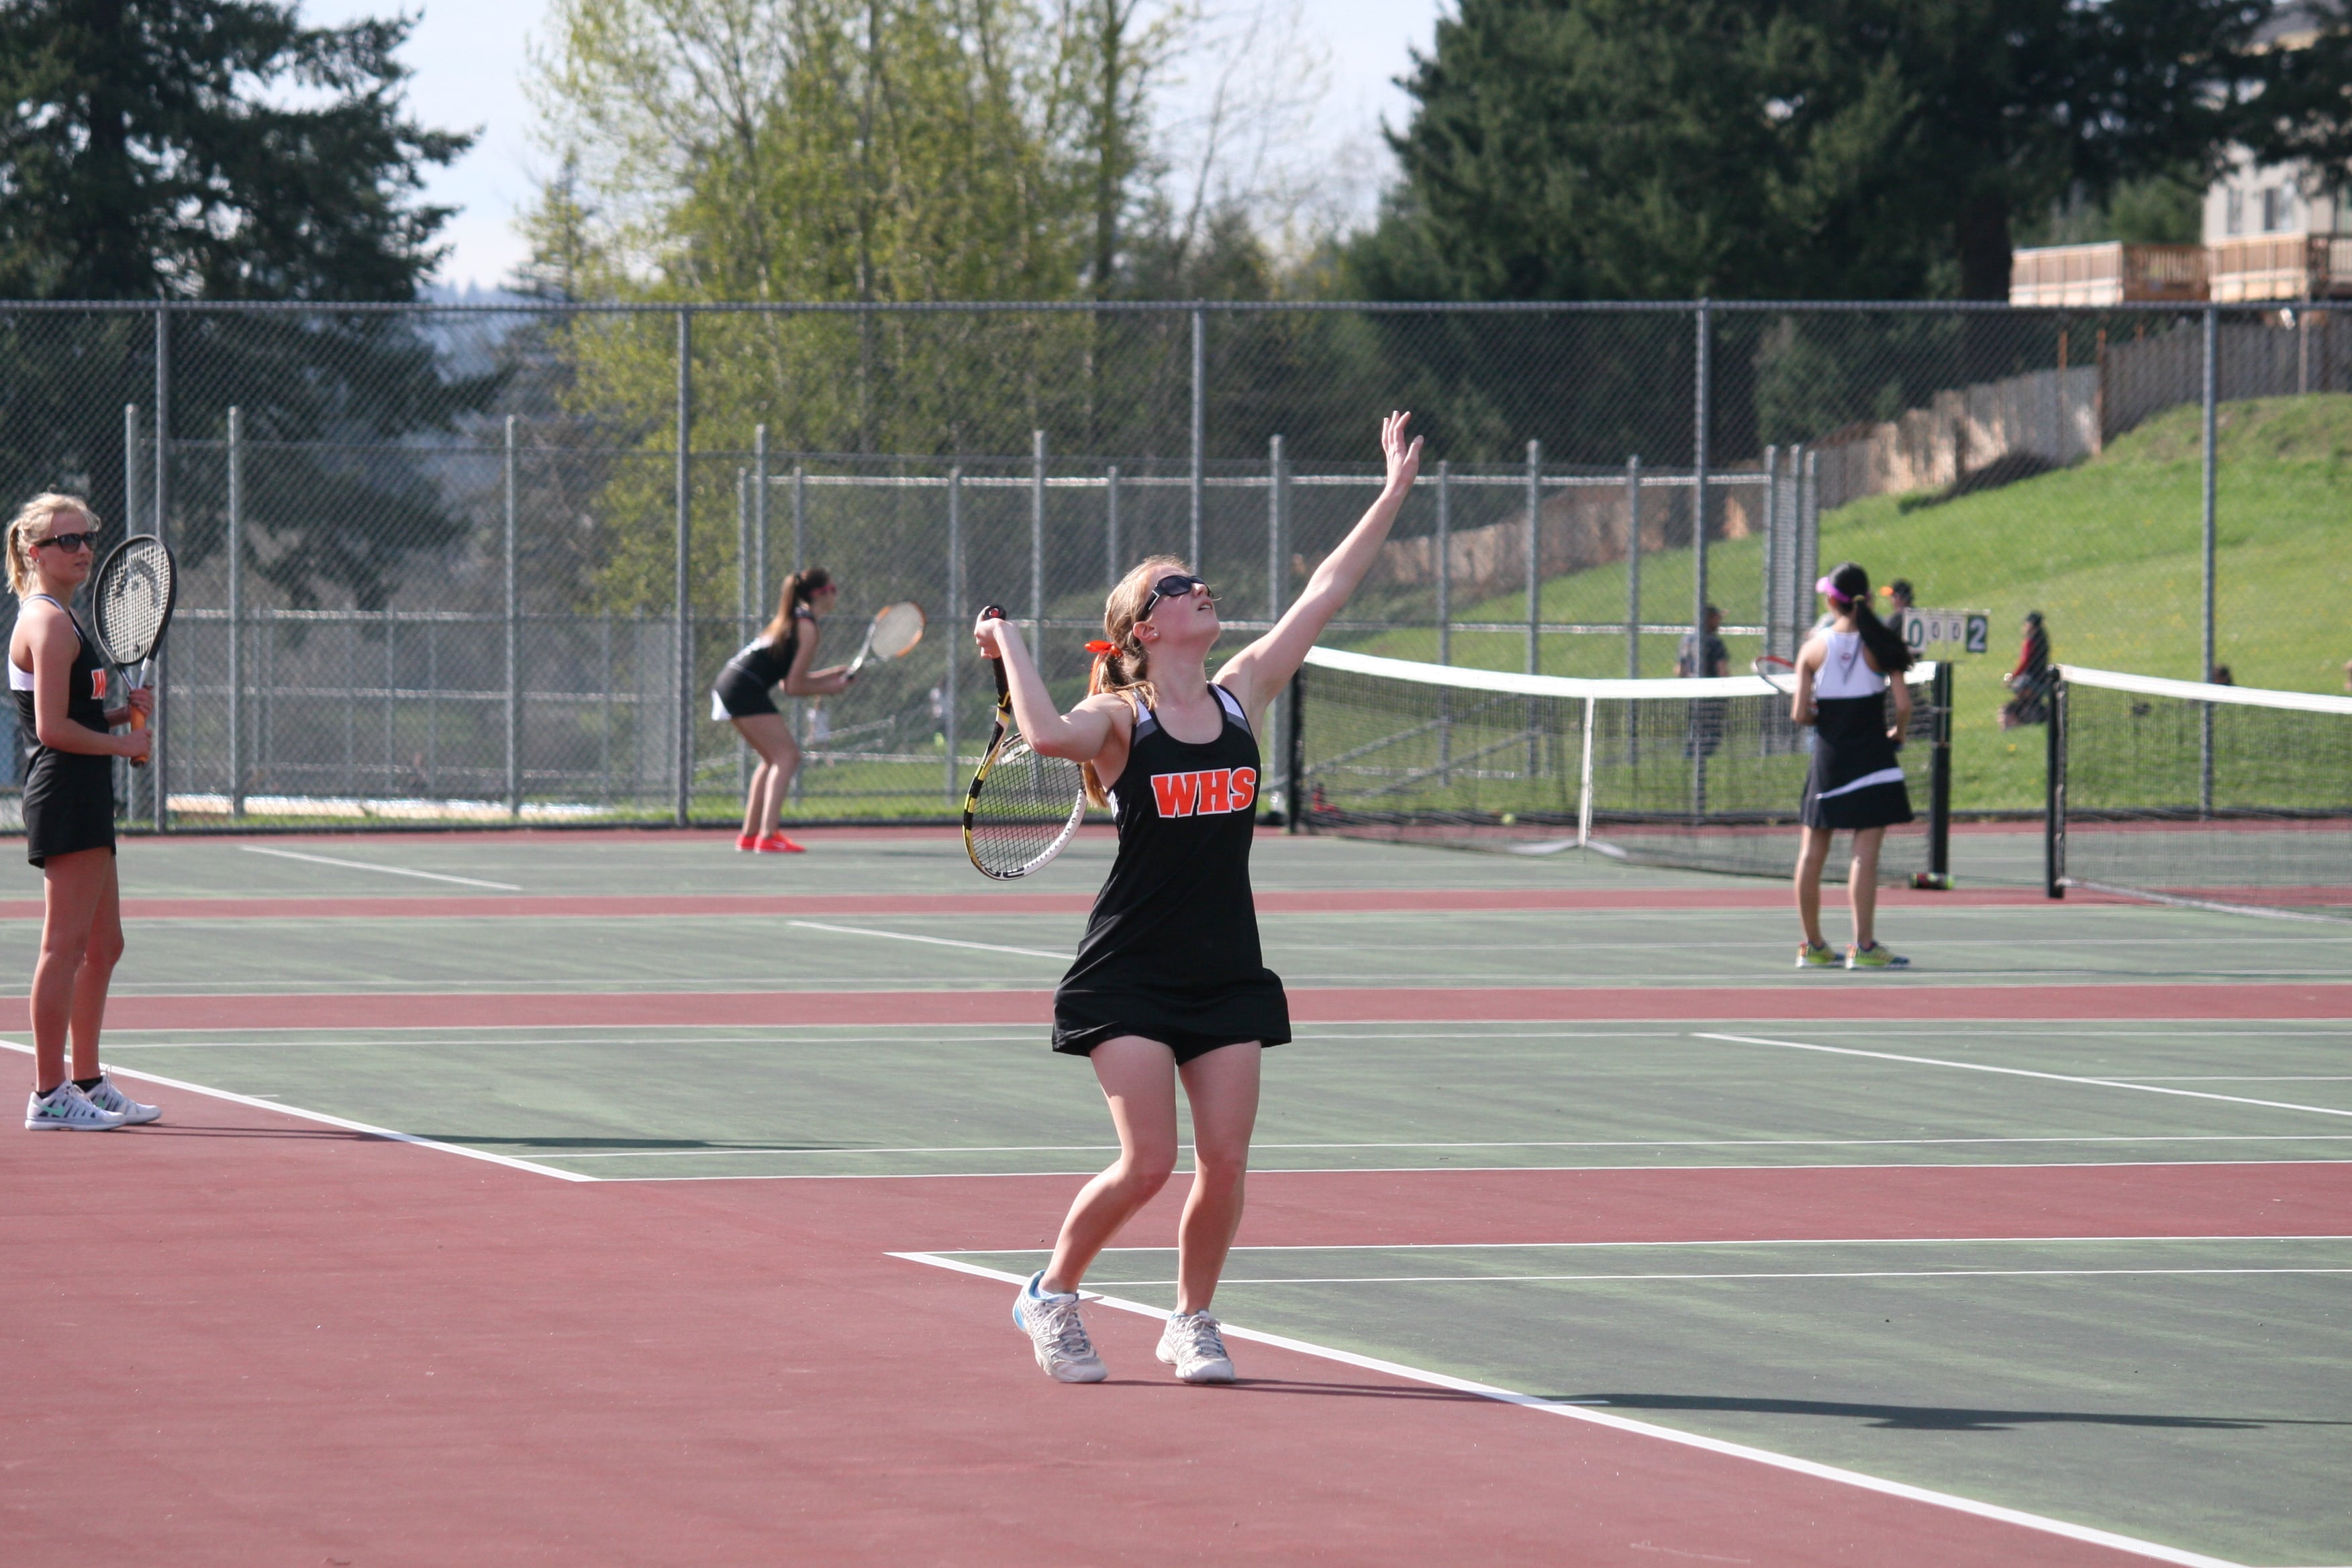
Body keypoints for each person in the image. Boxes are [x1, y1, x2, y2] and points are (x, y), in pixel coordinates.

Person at [978, 410, 1423, 1385]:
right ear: (1146, 626)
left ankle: (1192, 1320)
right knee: (1147, 1165)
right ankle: (1049, 1294)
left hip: (1223, 967)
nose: (1200, 589)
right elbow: (1046, 732)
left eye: (1199, 582)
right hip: (1129, 973)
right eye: (1178, 587)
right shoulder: (1118, 720)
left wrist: (1390, 492)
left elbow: (1326, 590)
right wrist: (1008, 638)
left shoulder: (1240, 692)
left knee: (1224, 1163)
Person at [8, 494, 160, 1130]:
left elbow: (79, 716)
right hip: (64, 792)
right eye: (66, 541)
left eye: (86, 537)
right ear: (34, 554)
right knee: (64, 948)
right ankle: (49, 1093)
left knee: (105, 944)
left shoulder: (69, 621)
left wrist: (126, 713)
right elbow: (50, 729)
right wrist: (124, 741)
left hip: (87, 790)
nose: (81, 549)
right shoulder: (44, 622)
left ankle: (89, 1080)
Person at [1789, 562, 1914, 971]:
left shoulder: (1812, 648)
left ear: (1831, 600)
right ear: (1869, 599)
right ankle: (1862, 947)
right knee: (1865, 855)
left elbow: (1800, 716)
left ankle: (1813, 946)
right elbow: (1903, 705)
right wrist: (1898, 733)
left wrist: (1817, 714)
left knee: (1812, 853)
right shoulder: (1883, 643)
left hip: (1830, 762)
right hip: (1873, 759)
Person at [710, 569, 853, 852]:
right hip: (742, 688)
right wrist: (829, 687)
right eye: (833, 588)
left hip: (730, 684)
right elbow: (794, 687)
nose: (836, 593)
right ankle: (768, 835)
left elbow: (792, 680)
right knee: (788, 756)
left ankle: (750, 836)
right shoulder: (808, 628)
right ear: (820, 594)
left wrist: (830, 677)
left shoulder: (797, 620)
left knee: (771, 759)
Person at [1677, 605, 1729, 761]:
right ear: (1709, 619)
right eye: (1717, 618)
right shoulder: (1714, 642)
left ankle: (1691, 757)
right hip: (1712, 693)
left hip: (1692, 692)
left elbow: (1680, 669)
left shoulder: (1687, 640)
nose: (1719, 622)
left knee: (1695, 728)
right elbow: (1722, 670)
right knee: (1712, 731)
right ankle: (1701, 758)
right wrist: (1727, 690)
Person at [1999, 611, 2053, 729]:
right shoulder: (2043, 639)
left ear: (2031, 625)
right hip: (2042, 679)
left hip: (2031, 680)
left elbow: (2024, 663)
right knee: (2031, 703)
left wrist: (2011, 677)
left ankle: (2012, 722)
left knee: (2021, 698)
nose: (2023, 628)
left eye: (2026, 624)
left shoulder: (2030, 641)